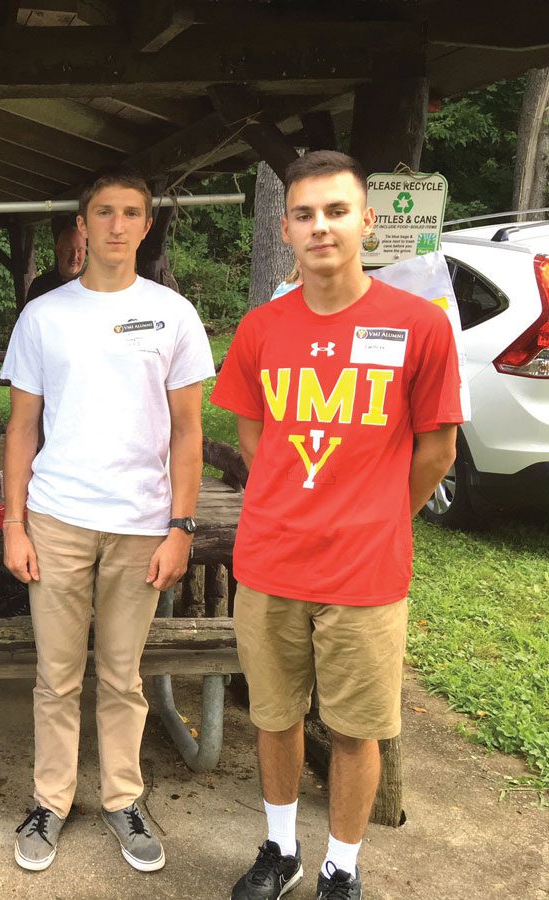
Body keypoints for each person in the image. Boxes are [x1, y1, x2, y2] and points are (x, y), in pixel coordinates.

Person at [211, 150, 461, 900]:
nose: (322, 226)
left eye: (337, 211)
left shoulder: (418, 326)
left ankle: (340, 868)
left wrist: (378, 515)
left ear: (367, 221)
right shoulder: (261, 330)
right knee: (277, 717)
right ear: (285, 228)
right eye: (306, 214)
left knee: (356, 728)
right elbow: (257, 437)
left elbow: (438, 448)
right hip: (271, 561)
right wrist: (298, 499)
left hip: (365, 569)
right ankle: (281, 849)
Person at [1, 165, 214, 873]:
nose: (117, 225)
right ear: (81, 226)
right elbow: (21, 429)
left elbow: (189, 431)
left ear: (145, 225)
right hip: (57, 517)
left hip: (142, 524)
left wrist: (181, 527)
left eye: (130, 212)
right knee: (55, 676)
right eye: (103, 212)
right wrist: (13, 524)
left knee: (122, 676)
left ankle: (123, 798)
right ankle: (51, 801)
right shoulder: (45, 315)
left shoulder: (173, 315)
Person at [24, 220, 87, 309]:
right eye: (68, 250)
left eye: (80, 250)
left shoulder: (98, 284)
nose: (74, 256)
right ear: (58, 251)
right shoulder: (40, 286)